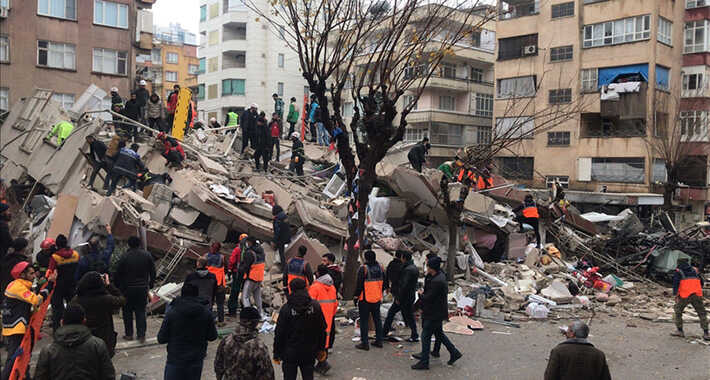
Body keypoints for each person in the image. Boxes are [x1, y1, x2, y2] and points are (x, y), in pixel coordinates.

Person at [2, 262, 55, 380]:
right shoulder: (18, 287)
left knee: (22, 355)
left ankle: (24, 376)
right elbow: (36, 300)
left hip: (13, 326)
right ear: (22, 275)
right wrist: (50, 284)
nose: (34, 276)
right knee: (15, 357)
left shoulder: (17, 284)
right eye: (31, 273)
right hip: (17, 327)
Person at [34, 304, 115, 380]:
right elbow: (108, 376)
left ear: (62, 322)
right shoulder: (97, 345)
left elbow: (40, 377)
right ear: (84, 321)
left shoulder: (48, 351)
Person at [158, 282, 218, 380]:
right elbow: (212, 336)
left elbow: (161, 338)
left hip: (175, 360)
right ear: (197, 295)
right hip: (196, 360)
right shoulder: (206, 313)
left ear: (182, 294)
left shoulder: (172, 312)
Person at [411, 256, 462, 370]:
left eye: (427, 265)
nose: (426, 267)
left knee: (425, 335)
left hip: (434, 312)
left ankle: (424, 361)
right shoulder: (434, 276)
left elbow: (428, 297)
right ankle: (454, 352)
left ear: (431, 268)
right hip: (435, 311)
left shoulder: (438, 281)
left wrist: (420, 294)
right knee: (439, 334)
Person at [274, 278, 326, 380]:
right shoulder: (315, 306)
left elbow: (279, 333)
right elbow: (321, 330)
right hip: (309, 352)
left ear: (291, 290)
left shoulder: (286, 309)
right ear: (306, 288)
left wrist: (277, 353)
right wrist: (321, 348)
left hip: (290, 354)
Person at [71, 271, 126, 358]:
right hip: (104, 338)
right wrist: (109, 285)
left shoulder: (77, 300)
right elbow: (122, 300)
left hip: (84, 339)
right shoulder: (106, 299)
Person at [113, 236, 156, 343]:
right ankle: (141, 335)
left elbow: (117, 273)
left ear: (129, 244)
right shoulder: (147, 255)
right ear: (139, 244)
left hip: (127, 289)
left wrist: (118, 287)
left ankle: (129, 334)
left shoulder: (125, 257)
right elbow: (153, 271)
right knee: (141, 311)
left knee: (127, 312)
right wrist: (151, 284)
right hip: (142, 288)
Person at [214, 306, 274, 380]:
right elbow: (267, 374)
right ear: (255, 323)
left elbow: (218, 366)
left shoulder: (226, 340)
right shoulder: (258, 347)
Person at [543, 321, 611, 380]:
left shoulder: (558, 351)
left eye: (568, 331)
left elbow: (550, 376)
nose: (566, 333)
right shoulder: (599, 355)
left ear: (572, 333)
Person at [383, 250, 419, 342]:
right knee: (409, 315)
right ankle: (414, 335)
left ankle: (384, 333)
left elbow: (403, 285)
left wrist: (398, 298)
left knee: (391, 313)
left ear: (403, 258)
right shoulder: (413, 267)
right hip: (410, 296)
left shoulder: (407, 270)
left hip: (403, 298)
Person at [353, 250, 385, 351]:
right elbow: (385, 283)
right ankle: (379, 341)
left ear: (365, 258)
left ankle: (365, 343)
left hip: (365, 299)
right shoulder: (381, 268)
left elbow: (359, 285)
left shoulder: (364, 269)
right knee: (377, 320)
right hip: (377, 298)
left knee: (364, 321)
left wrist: (355, 296)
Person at [308, 265, 337, 375]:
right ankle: (322, 363)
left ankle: (322, 363)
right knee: (324, 341)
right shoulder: (332, 287)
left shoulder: (315, 287)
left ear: (318, 274)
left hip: (316, 318)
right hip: (328, 317)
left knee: (314, 341)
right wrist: (331, 315)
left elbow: (309, 304)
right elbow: (335, 304)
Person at [670, 258, 709, 340]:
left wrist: (676, 295)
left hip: (684, 295)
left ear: (679, 263)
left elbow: (675, 284)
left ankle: (680, 331)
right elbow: (701, 282)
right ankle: (706, 333)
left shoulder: (678, 271)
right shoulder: (695, 270)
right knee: (702, 313)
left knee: (678, 311)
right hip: (697, 294)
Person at [48, 234, 80, 332]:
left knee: (57, 309)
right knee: (73, 307)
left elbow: (50, 272)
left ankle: (57, 330)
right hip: (72, 284)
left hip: (59, 286)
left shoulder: (55, 257)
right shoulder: (75, 254)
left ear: (57, 245)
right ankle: (75, 328)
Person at [239, 237, 266, 318]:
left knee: (245, 297)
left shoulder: (250, 253)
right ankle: (260, 313)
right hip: (259, 278)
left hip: (251, 278)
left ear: (250, 242)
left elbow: (246, 266)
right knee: (257, 297)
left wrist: (240, 270)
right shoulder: (261, 250)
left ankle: (249, 316)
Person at [0, 238, 30, 305]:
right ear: (23, 248)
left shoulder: (6, 259)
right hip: (17, 293)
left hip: (5, 291)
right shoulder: (22, 262)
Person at [205, 243, 227, 325]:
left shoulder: (206, 256)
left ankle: (208, 320)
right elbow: (226, 269)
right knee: (220, 304)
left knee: (209, 302)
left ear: (211, 248)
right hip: (220, 284)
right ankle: (221, 321)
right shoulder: (222, 258)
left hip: (209, 283)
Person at [227, 234, 248, 316]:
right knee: (245, 292)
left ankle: (232, 310)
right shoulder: (249, 250)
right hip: (246, 274)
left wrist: (229, 270)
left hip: (237, 272)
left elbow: (232, 261)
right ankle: (244, 309)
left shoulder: (237, 249)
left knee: (234, 291)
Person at [272, 205, 291, 269]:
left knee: (281, 253)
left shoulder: (277, 219)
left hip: (281, 239)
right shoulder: (285, 216)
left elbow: (277, 231)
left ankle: (284, 267)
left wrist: (274, 241)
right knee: (284, 252)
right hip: (287, 237)